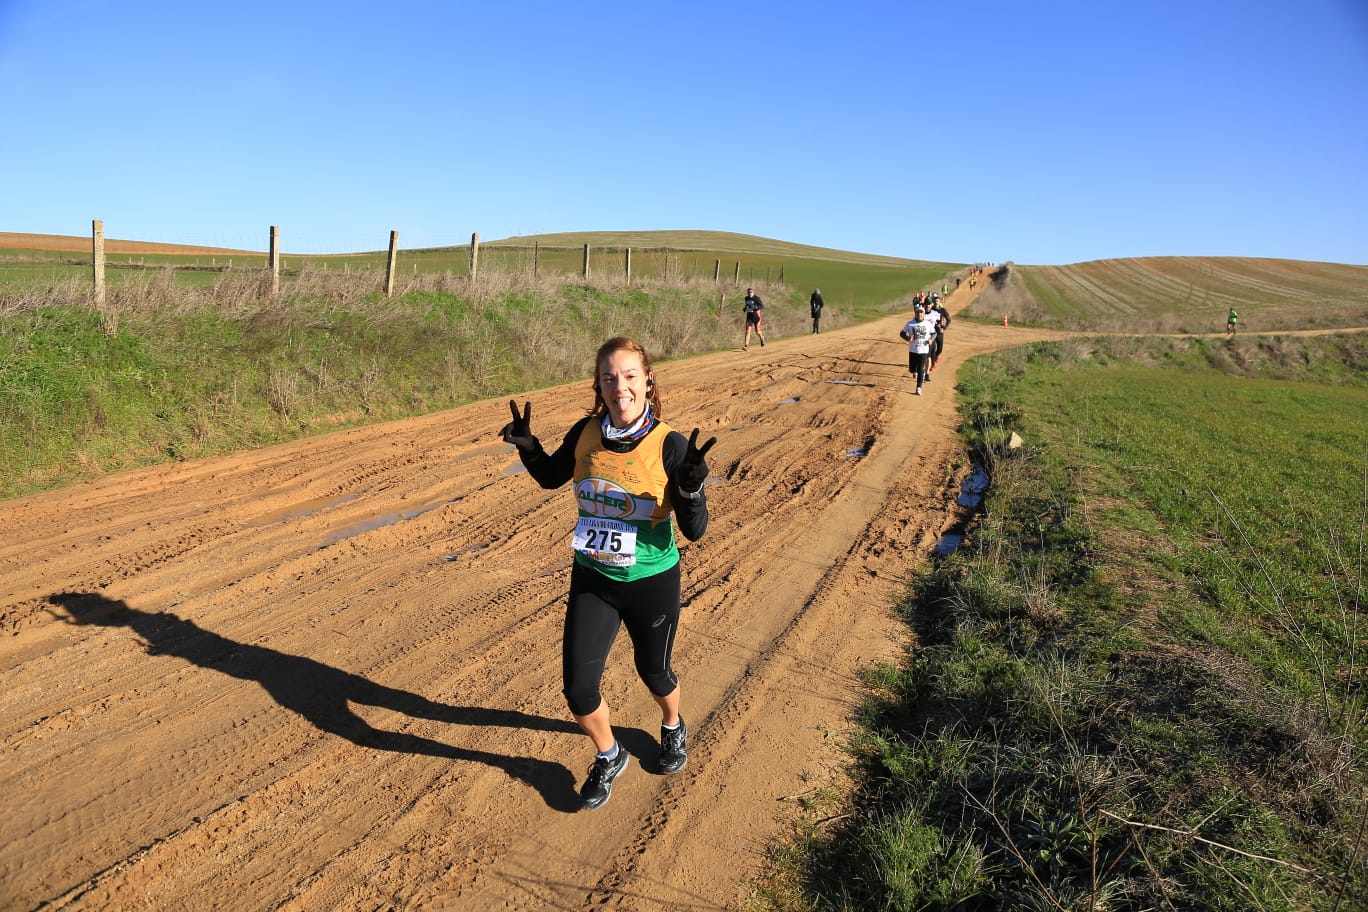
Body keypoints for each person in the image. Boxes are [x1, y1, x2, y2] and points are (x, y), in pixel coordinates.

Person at [501, 337, 715, 811]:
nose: (620, 387)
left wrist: (690, 490)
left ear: (647, 381)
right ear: (599, 385)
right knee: (578, 690)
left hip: (651, 581)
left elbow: (694, 531)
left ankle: (673, 726)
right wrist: (528, 447)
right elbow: (552, 476)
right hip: (593, 578)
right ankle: (609, 753)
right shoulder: (585, 432)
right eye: (609, 378)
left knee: (654, 672)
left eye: (630, 376)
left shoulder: (670, 444)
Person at [899, 305, 936, 395]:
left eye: (921, 312)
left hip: (924, 350)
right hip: (913, 350)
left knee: (920, 369)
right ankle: (915, 371)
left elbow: (934, 333)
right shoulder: (910, 323)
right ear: (915, 313)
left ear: (924, 314)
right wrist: (908, 338)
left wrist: (931, 339)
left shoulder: (928, 324)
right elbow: (902, 333)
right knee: (912, 369)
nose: (920, 314)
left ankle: (918, 388)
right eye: (918, 312)